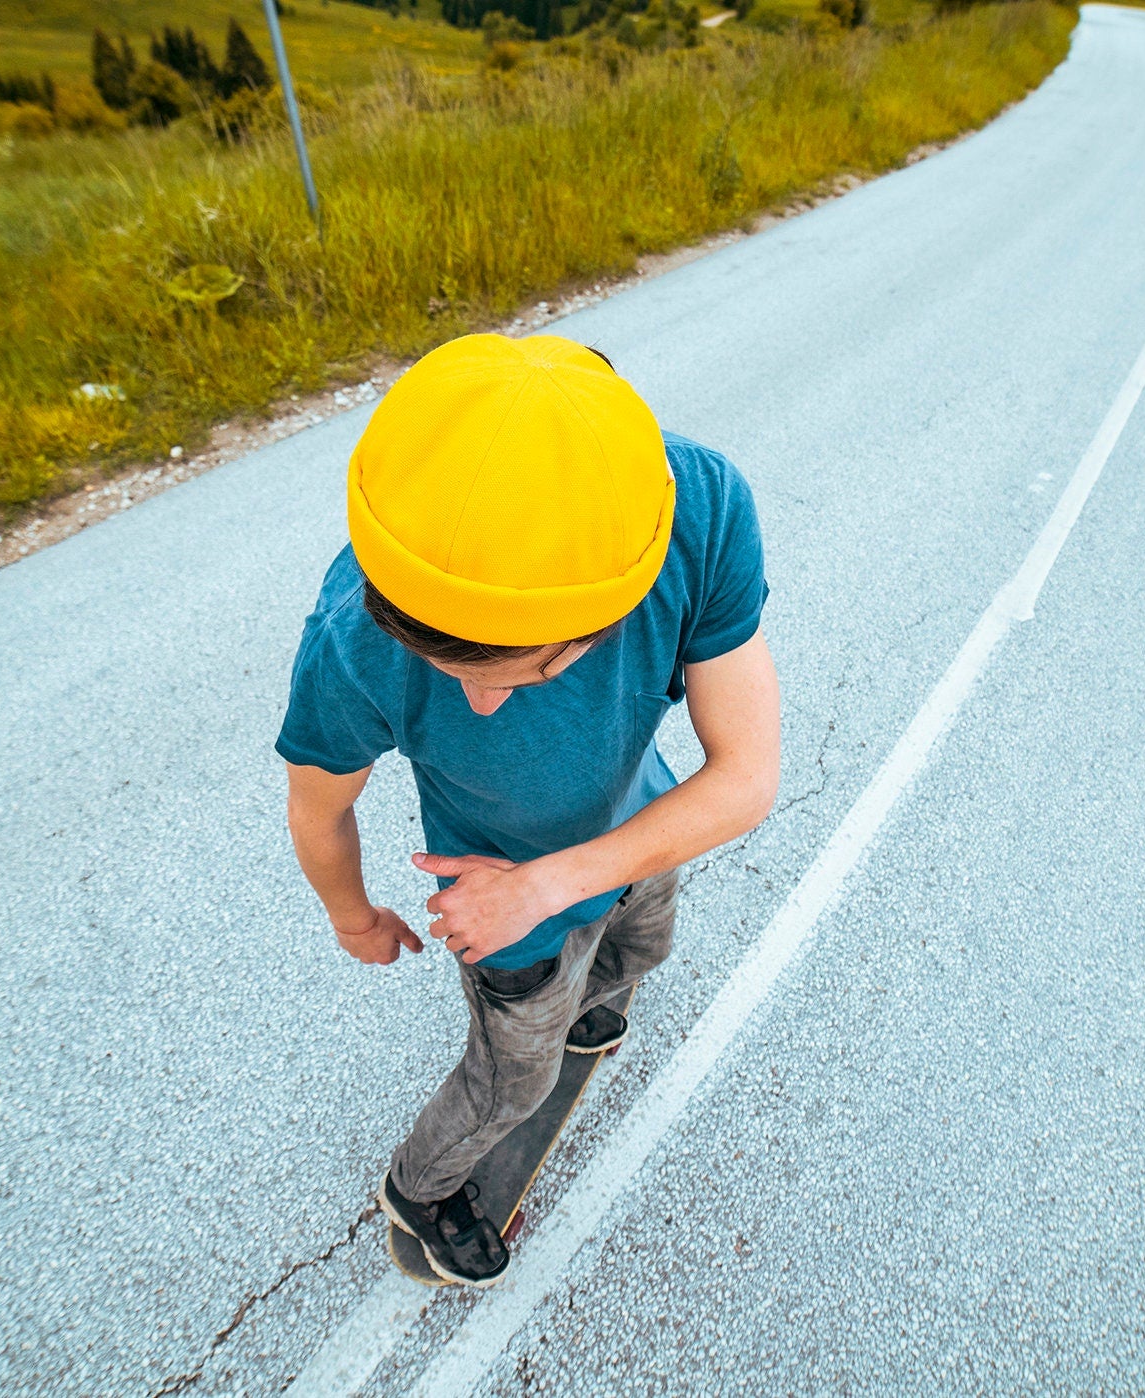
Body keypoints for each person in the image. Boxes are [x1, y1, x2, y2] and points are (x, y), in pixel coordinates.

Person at [275, 332, 780, 1286]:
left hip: (633, 835)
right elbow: (315, 809)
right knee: (516, 1080)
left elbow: (746, 775)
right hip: (507, 914)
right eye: (448, 670)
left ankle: (591, 1001)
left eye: (529, 671)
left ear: (616, 601)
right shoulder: (354, 638)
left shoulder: (698, 508)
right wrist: (352, 917)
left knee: (642, 950)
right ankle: (421, 1191)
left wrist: (549, 883)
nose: (479, 705)